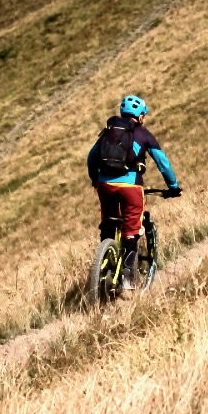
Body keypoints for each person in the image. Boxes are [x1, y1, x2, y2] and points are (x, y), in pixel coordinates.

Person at [87, 94, 181, 292]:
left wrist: (96, 180)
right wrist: (173, 186)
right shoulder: (144, 134)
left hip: (105, 186)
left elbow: (91, 158)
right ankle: (128, 279)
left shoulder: (109, 132)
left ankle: (106, 253)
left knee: (108, 223)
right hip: (131, 187)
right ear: (139, 117)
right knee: (131, 232)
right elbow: (162, 163)